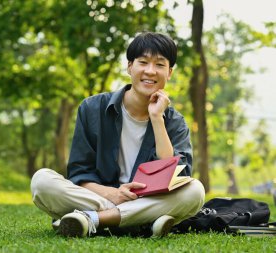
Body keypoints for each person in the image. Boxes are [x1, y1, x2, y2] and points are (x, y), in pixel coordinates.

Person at [30, 31, 205, 237]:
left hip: (145, 199)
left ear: (169, 73)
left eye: (159, 65)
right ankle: (141, 222)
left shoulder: (175, 122)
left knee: (195, 191)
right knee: (42, 181)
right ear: (130, 66)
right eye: (143, 62)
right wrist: (113, 194)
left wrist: (157, 119)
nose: (150, 71)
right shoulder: (92, 108)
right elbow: (80, 173)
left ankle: (92, 219)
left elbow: (177, 176)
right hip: (102, 195)